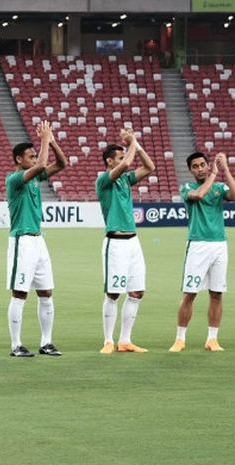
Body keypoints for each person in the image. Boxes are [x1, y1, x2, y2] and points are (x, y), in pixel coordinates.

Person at [5, 121, 67, 357]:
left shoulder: (34, 179)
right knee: (20, 293)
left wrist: (51, 141)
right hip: (22, 240)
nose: (34, 158)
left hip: (38, 240)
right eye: (29, 156)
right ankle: (16, 345)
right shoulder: (14, 179)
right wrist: (44, 141)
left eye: (34, 155)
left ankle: (46, 342)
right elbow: (42, 163)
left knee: (46, 292)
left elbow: (61, 163)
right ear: (19, 160)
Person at [95, 128, 155, 354]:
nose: (123, 160)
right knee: (113, 293)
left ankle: (125, 340)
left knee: (137, 291)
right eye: (119, 158)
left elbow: (149, 167)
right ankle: (108, 340)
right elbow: (127, 165)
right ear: (109, 162)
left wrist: (136, 146)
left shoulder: (125, 180)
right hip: (115, 242)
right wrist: (132, 143)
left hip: (133, 242)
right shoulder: (103, 179)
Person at [169, 152, 235, 352]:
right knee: (189, 293)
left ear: (207, 165)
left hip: (219, 245)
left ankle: (212, 339)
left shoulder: (219, 187)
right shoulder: (187, 188)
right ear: (190, 170)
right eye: (195, 166)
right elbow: (198, 195)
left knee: (217, 293)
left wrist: (225, 170)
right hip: (197, 245)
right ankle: (180, 339)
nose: (199, 169)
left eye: (202, 165)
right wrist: (215, 174)